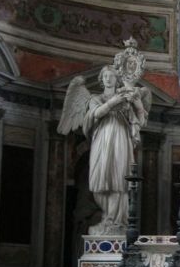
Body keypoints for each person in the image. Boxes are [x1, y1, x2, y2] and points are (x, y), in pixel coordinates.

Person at [57, 64, 150, 234]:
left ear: (117, 79)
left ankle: (117, 222)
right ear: (101, 79)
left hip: (121, 139)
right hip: (103, 140)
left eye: (112, 76)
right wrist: (114, 101)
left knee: (119, 180)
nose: (108, 79)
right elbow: (96, 113)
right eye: (105, 76)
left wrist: (137, 104)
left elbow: (140, 121)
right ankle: (108, 218)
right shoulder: (95, 98)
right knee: (99, 181)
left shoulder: (126, 99)